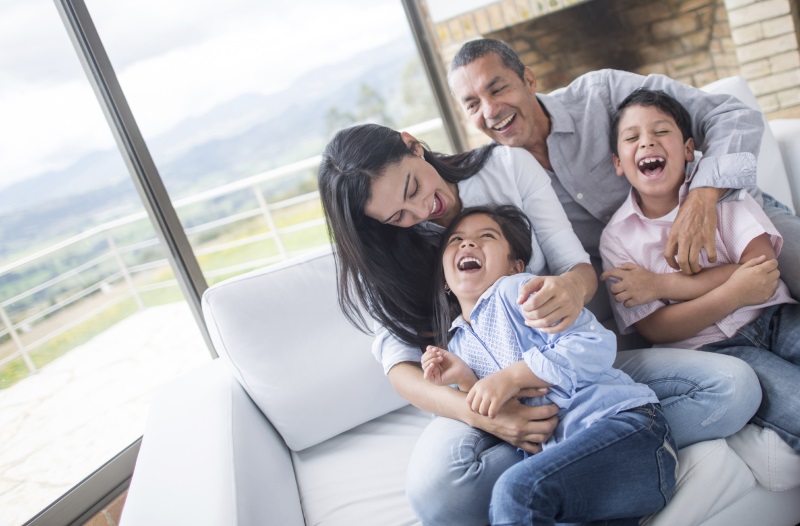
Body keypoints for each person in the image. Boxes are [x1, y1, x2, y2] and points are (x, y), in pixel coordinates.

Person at [318, 124, 759, 525]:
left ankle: (605, 450)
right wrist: (487, 412)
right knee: (439, 498)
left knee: (734, 388)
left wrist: (569, 289)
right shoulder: (410, 282)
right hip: (509, 410)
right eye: (399, 216)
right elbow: (401, 368)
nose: (421, 209)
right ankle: (574, 469)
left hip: (581, 378)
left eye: (414, 187)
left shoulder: (508, 176)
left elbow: (579, 278)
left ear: (413, 144)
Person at [447, 38, 800, 305]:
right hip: (648, 290)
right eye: (473, 104)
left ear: (529, 80)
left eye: (498, 89)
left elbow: (731, 116)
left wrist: (701, 198)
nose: (491, 110)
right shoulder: (497, 182)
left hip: (731, 223)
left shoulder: (602, 93)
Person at [423, 204, 676, 524]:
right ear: (445, 281)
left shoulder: (519, 291)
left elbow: (596, 344)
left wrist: (514, 376)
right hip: (573, 472)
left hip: (627, 431)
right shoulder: (457, 343)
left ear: (515, 267)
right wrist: (463, 379)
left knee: (516, 492)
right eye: (455, 240)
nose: (468, 244)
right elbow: (496, 410)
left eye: (485, 236)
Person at [600, 88, 800, 453]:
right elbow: (657, 327)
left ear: (689, 149)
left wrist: (661, 284)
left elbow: (762, 270)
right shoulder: (617, 239)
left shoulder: (720, 194)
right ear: (618, 162)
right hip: (718, 352)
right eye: (633, 137)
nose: (647, 143)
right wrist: (736, 287)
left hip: (775, 317)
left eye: (661, 132)